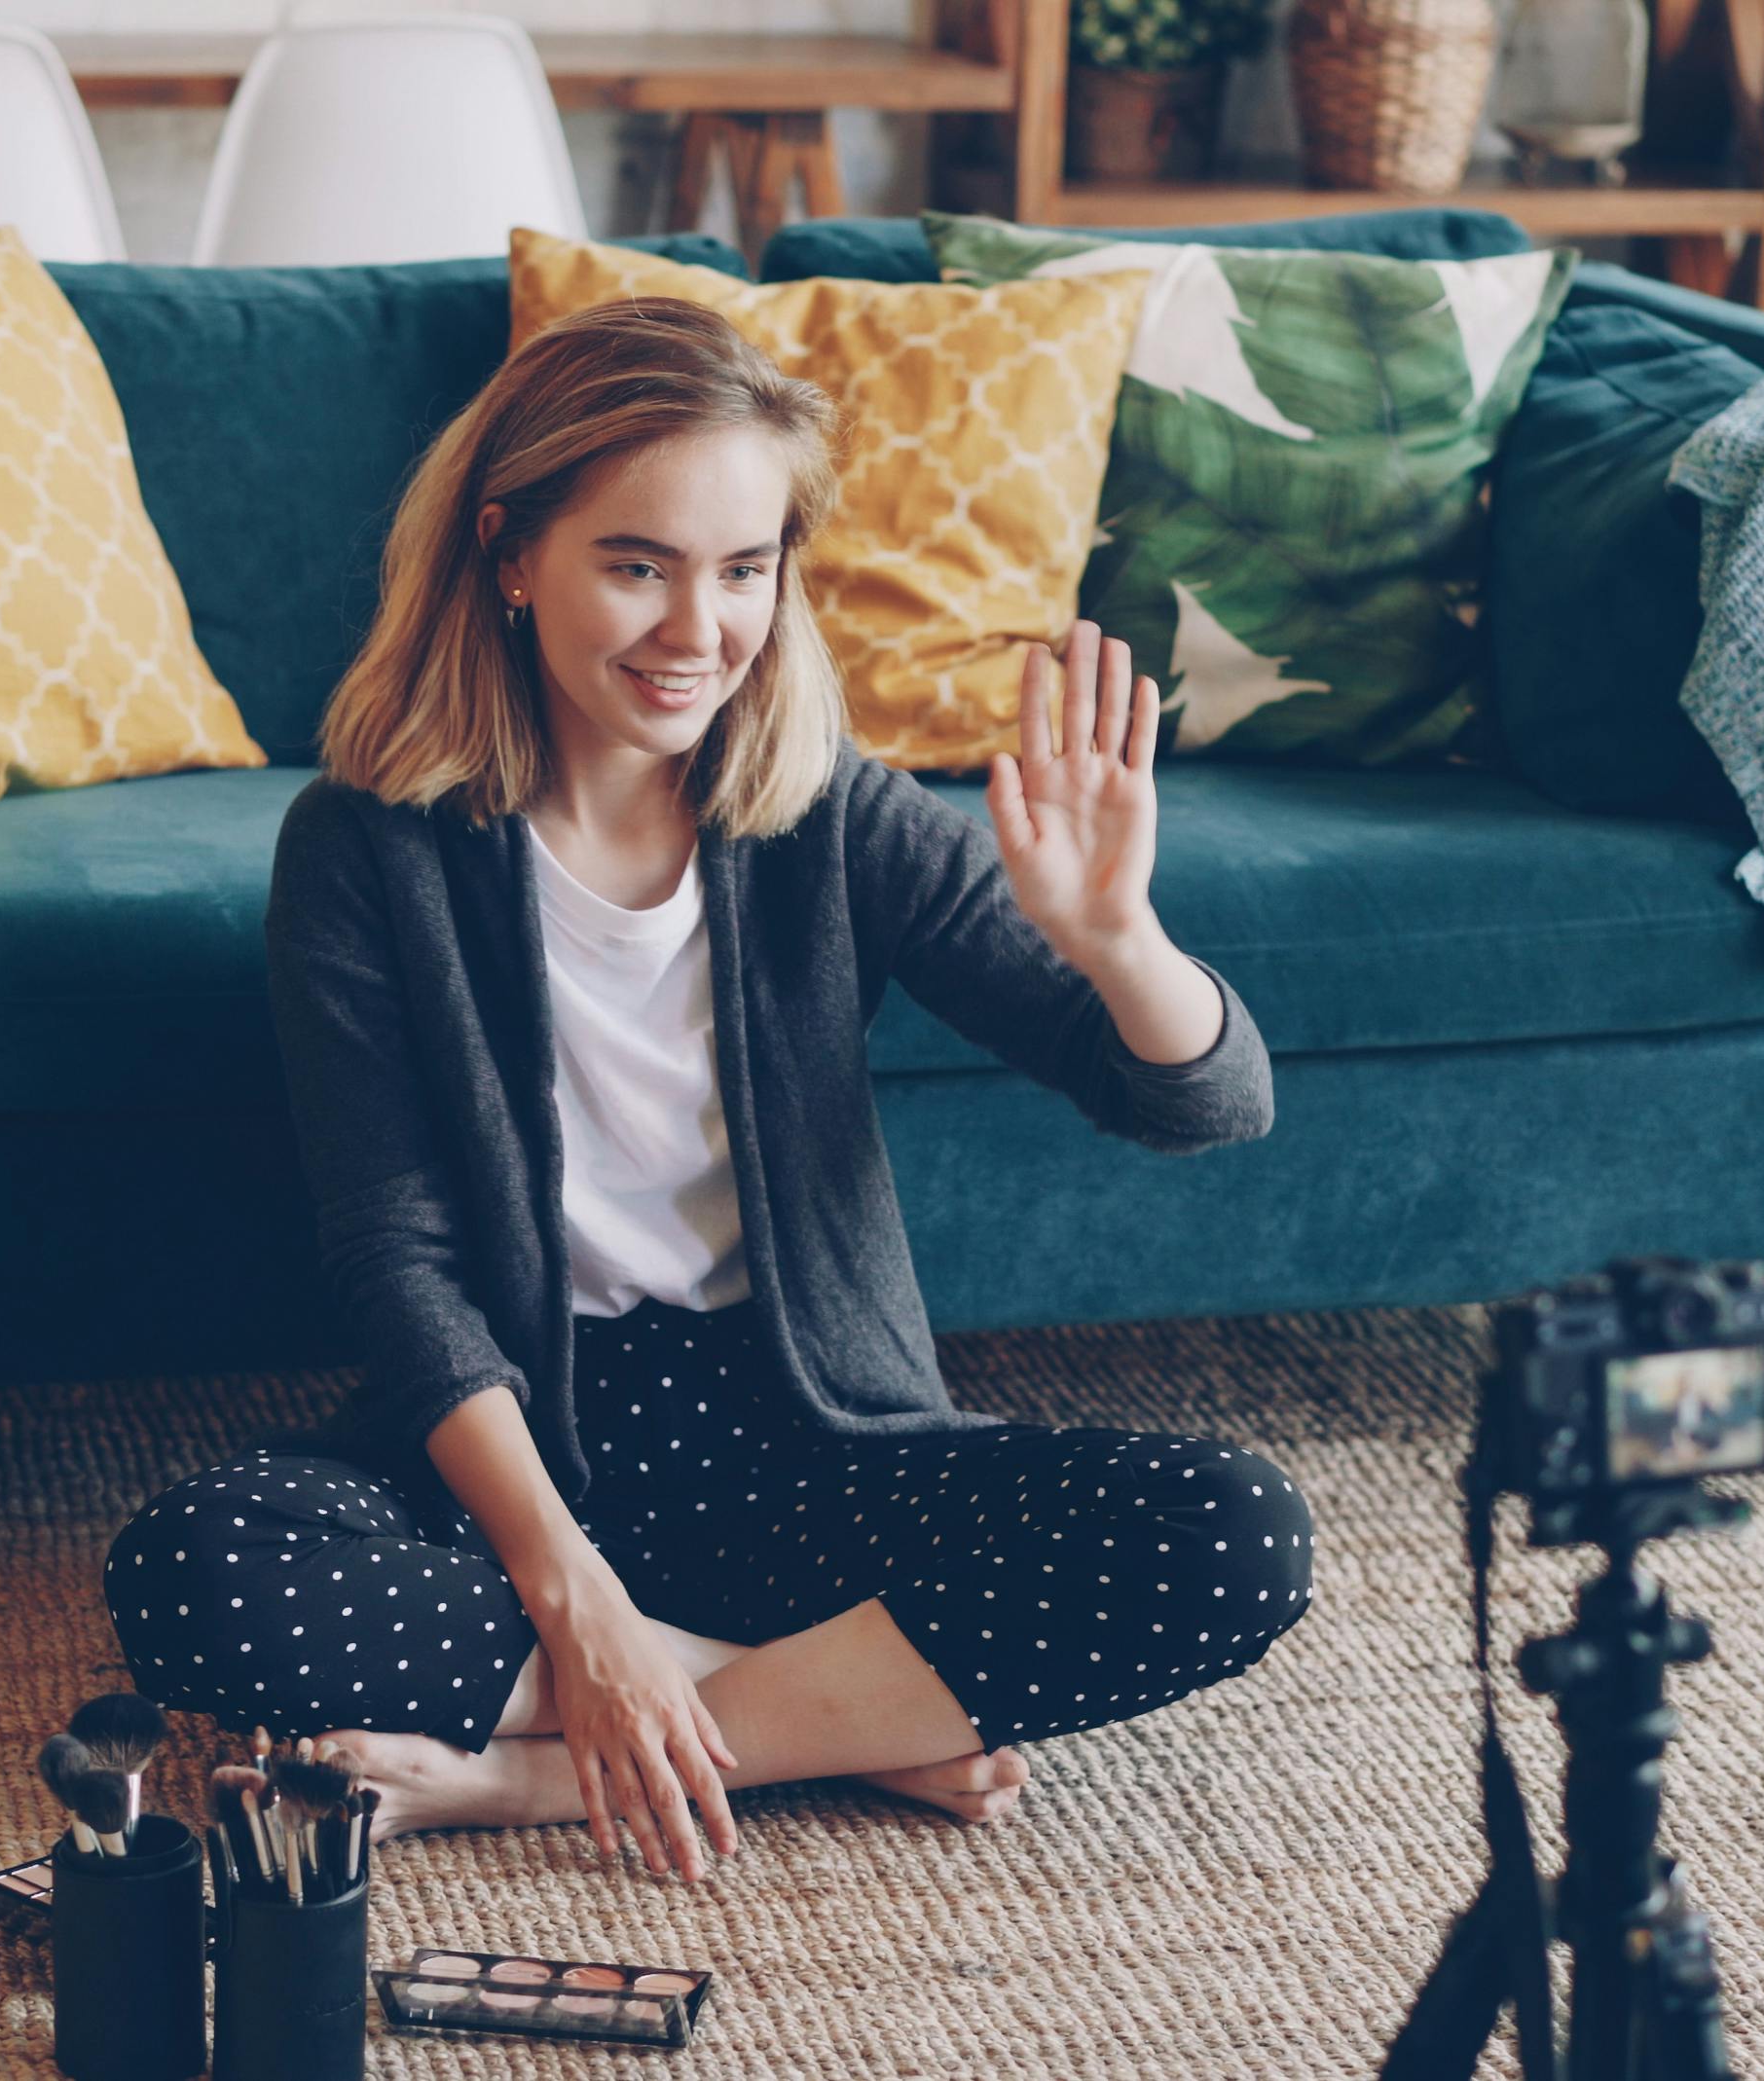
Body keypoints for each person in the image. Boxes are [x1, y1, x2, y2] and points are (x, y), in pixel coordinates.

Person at [104, 298, 1311, 1884]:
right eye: (639, 563)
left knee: (1239, 1529)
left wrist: (1118, 937)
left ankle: (525, 1777)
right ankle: (848, 1714)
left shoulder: (830, 815)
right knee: (192, 1568)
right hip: (528, 1449)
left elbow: (1197, 1103)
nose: (698, 630)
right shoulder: (366, 851)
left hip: (812, 1437)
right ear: (509, 549)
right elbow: (396, 1265)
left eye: (745, 569)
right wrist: (576, 1601)